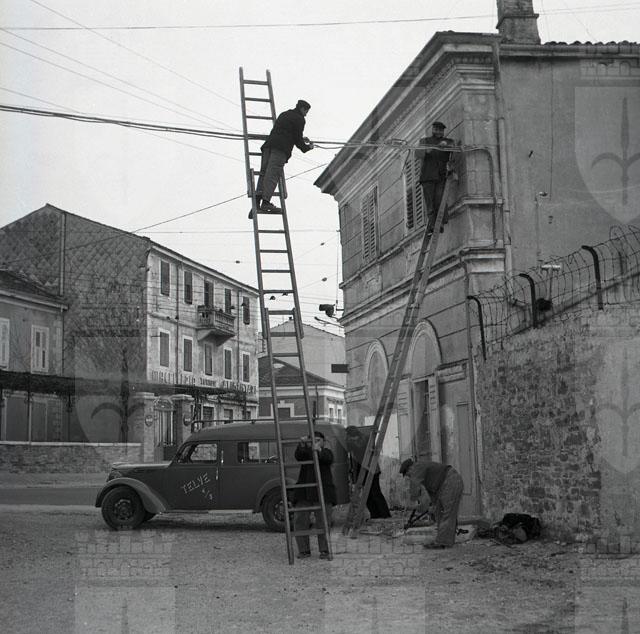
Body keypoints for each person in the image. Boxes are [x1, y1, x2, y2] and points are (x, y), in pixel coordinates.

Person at [250, 99, 314, 218]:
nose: (306, 114)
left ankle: (256, 203)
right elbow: (297, 139)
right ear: (302, 109)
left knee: (263, 173)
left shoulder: (285, 114)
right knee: (272, 175)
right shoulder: (300, 119)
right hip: (280, 150)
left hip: (268, 146)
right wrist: (307, 147)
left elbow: (287, 132)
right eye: (306, 111)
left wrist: (300, 138)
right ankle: (266, 202)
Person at [399, 457, 464, 549]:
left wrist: (413, 501)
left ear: (410, 468)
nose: (409, 477)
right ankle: (444, 540)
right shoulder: (423, 472)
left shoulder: (417, 467)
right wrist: (432, 506)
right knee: (438, 513)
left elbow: (414, 485)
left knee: (447, 514)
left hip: (451, 481)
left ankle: (442, 542)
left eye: (408, 475)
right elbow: (432, 492)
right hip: (445, 484)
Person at [293, 430, 336, 559]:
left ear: (323, 442)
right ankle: (304, 550)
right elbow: (299, 455)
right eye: (313, 440)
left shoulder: (327, 452)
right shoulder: (307, 453)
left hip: (323, 492)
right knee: (300, 520)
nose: (315, 443)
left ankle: (325, 550)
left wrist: (318, 450)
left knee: (323, 522)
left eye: (318, 440)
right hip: (304, 492)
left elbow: (327, 458)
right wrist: (302, 444)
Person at [417, 121, 455, 234]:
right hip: (428, 177)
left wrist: (446, 146)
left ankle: (440, 223)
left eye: (440, 130)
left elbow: (453, 148)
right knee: (430, 203)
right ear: (432, 130)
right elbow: (418, 154)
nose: (438, 131)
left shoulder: (448, 141)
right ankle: (433, 224)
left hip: (440, 176)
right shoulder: (425, 141)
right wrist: (430, 149)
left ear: (443, 131)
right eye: (436, 129)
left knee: (440, 200)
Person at [345, 426, 391, 520]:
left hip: (371, 470)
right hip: (364, 470)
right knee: (368, 495)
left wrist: (350, 442)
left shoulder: (364, 439)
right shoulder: (356, 441)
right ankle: (375, 515)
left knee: (375, 493)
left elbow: (359, 447)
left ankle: (385, 515)